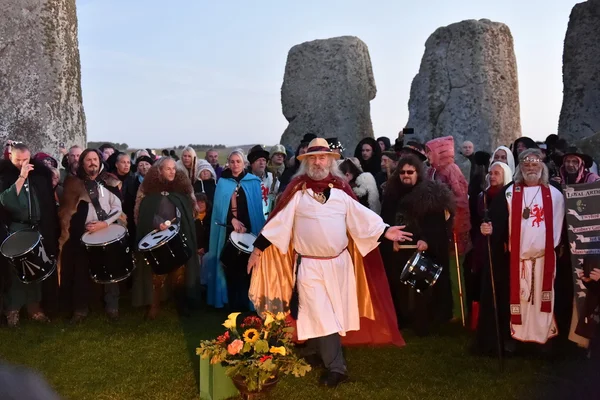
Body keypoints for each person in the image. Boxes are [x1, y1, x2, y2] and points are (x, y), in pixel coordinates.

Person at [247, 138, 407, 387]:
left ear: (331, 161)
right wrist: (257, 250)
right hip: (309, 265)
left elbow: (361, 217)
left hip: (338, 265)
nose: (318, 162)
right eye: (313, 158)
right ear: (306, 162)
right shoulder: (297, 192)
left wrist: (386, 231)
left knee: (326, 311)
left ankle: (317, 352)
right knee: (319, 310)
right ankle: (336, 367)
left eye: (323, 158)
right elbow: (279, 223)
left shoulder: (341, 191)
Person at [480, 149, 565, 352]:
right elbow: (496, 221)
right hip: (517, 260)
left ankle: (545, 340)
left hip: (545, 260)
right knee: (521, 299)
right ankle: (517, 340)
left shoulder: (554, 194)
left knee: (543, 302)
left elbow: (563, 226)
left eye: (535, 165)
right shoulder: (509, 193)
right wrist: (489, 229)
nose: (531, 169)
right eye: (526, 165)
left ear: (542, 167)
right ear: (520, 168)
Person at [380, 154, 454, 336]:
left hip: (422, 250)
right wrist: (390, 241)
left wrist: (427, 240)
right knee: (398, 287)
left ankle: (424, 322)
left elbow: (437, 224)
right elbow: (385, 220)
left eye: (410, 172)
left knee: (422, 288)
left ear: (418, 173)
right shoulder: (391, 193)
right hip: (399, 248)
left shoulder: (430, 194)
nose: (406, 175)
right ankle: (402, 319)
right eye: (402, 172)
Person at [59, 149, 124, 323]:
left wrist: (105, 224)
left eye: (95, 159)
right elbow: (66, 212)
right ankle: (80, 310)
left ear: (100, 162)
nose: (92, 162)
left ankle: (112, 307)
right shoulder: (73, 183)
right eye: (88, 160)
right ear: (82, 163)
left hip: (106, 232)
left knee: (110, 270)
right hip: (82, 235)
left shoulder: (109, 182)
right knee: (80, 272)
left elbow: (117, 208)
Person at [0, 143, 59, 327]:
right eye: (19, 160)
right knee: (16, 272)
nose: (23, 163)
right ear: (11, 157)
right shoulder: (6, 176)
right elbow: (6, 200)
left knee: (37, 269)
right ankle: (13, 310)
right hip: (17, 229)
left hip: (37, 229)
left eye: (26, 160)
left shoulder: (40, 176)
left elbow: (47, 204)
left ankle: (34, 308)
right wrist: (21, 176)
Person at [133, 157, 200, 318]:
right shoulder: (149, 193)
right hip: (156, 236)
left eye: (173, 169)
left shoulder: (181, 191)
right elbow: (144, 214)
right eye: (168, 169)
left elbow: (188, 212)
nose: (172, 171)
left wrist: (179, 222)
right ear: (159, 171)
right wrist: (158, 223)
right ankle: (154, 304)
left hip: (177, 234)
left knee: (180, 272)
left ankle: (181, 304)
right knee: (156, 273)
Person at [205, 150, 264, 310]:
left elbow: (256, 209)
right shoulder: (223, 183)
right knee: (229, 267)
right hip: (228, 231)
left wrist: (248, 226)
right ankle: (230, 304)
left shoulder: (253, 182)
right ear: (228, 163)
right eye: (232, 161)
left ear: (244, 163)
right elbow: (219, 208)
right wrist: (232, 219)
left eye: (238, 161)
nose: (235, 164)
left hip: (249, 230)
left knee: (248, 268)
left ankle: (247, 303)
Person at [471, 161, 513, 346]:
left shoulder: (511, 196)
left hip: (505, 249)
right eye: (491, 172)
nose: (492, 176)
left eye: (497, 173)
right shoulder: (484, 196)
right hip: (487, 245)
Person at [426, 136, 471, 254]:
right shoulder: (432, 170)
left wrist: (454, 221)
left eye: (430, 153)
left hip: (451, 222)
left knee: (454, 256)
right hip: (437, 222)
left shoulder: (451, 170)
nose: (428, 156)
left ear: (439, 153)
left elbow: (460, 198)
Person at [247, 145, 278, 220]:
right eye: (258, 160)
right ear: (252, 164)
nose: (261, 163)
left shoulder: (272, 178)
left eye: (264, 160)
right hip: (251, 217)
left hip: (269, 218)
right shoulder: (246, 180)